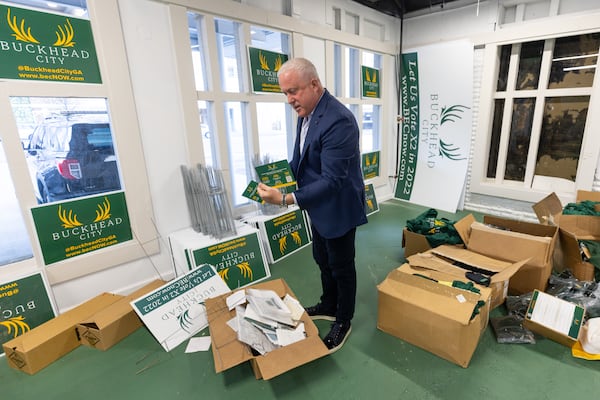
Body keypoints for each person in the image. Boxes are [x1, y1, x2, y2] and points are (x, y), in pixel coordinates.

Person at [257, 57, 367, 353]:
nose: (289, 100)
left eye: (293, 91)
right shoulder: (305, 113)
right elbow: (302, 161)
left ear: (314, 85)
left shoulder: (339, 120)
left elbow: (332, 180)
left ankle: (343, 319)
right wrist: (278, 179)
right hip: (317, 206)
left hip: (338, 206)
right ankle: (329, 303)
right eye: (285, 94)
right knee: (322, 257)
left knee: (342, 265)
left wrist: (283, 198)